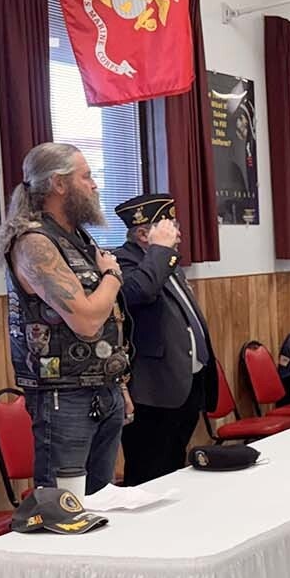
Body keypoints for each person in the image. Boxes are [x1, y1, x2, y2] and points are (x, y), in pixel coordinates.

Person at [0, 142, 130, 497]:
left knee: (105, 503)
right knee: (66, 508)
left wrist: (119, 383)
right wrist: (113, 276)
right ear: (59, 184)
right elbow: (86, 321)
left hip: (103, 388)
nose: (95, 185)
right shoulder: (34, 242)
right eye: (86, 177)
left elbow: (107, 319)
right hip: (63, 397)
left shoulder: (78, 238)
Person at [113, 194, 217, 486]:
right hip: (153, 390)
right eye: (171, 226)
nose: (179, 233)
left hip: (185, 382)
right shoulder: (123, 260)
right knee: (150, 470)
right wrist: (159, 250)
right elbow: (138, 293)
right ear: (145, 233)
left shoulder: (165, 260)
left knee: (175, 466)